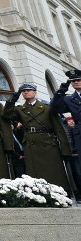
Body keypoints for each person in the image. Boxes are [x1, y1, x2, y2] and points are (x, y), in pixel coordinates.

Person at [2, 83, 71, 192]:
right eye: (24, 91)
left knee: (54, 172)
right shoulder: (20, 109)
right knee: (35, 174)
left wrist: (65, 149)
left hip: (48, 143)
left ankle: (58, 193)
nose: (26, 92)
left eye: (29, 90)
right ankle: (39, 195)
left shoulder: (47, 107)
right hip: (31, 143)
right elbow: (6, 115)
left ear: (35, 92)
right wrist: (12, 101)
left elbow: (58, 128)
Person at [51, 69, 81, 197]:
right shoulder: (69, 99)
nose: (76, 82)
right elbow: (55, 108)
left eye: (79, 80)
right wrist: (62, 90)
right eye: (73, 81)